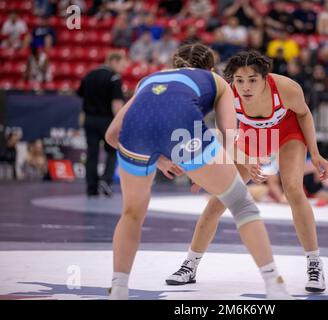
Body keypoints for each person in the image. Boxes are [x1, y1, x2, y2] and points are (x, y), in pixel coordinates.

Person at [104, 43, 293, 300]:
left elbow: (112, 135)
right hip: (183, 127)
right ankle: (275, 284)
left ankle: (118, 288)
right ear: (210, 67)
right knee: (241, 204)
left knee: (131, 213)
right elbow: (229, 137)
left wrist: (160, 161)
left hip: (136, 132)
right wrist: (240, 162)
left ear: (175, 64)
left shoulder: (150, 79)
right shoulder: (216, 81)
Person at [166, 50, 328, 293]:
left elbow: (304, 115)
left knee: (294, 190)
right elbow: (226, 138)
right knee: (219, 199)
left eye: (252, 80)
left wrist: (314, 153)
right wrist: (216, 168)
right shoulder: (227, 94)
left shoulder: (287, 88)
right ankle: (189, 265)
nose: (245, 87)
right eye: (239, 80)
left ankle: (315, 264)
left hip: (288, 133)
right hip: (250, 137)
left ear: (265, 77)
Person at [77, 50, 126, 197]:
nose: (122, 69)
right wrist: (121, 124)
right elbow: (116, 106)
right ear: (114, 61)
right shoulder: (114, 78)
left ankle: (91, 187)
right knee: (112, 150)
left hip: (89, 120)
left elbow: (80, 94)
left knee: (92, 153)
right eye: (122, 65)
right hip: (107, 120)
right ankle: (106, 180)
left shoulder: (89, 75)